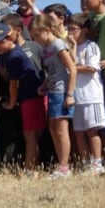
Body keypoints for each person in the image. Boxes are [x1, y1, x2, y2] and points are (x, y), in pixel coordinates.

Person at [0, 23, 46, 172]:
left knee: (30, 135)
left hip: (29, 98)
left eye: (0, 42)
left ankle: (30, 170)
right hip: (32, 96)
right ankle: (34, 168)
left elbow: (13, 84)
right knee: (34, 134)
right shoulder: (13, 53)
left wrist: (11, 104)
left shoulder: (14, 57)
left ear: (9, 38)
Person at [29, 14, 77, 179]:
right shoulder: (45, 50)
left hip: (63, 91)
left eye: (37, 34)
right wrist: (44, 85)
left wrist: (70, 94)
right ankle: (61, 164)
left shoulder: (58, 45)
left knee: (61, 129)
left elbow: (72, 68)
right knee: (53, 128)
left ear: (47, 30)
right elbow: (51, 72)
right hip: (52, 90)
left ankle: (64, 167)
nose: (36, 39)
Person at [66, 13, 105, 175]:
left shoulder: (91, 47)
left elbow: (91, 68)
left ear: (84, 30)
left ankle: (97, 163)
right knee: (78, 131)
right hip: (76, 96)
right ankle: (85, 163)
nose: (70, 33)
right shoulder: (70, 48)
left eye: (73, 29)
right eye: (68, 29)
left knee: (92, 130)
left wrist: (74, 67)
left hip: (91, 95)